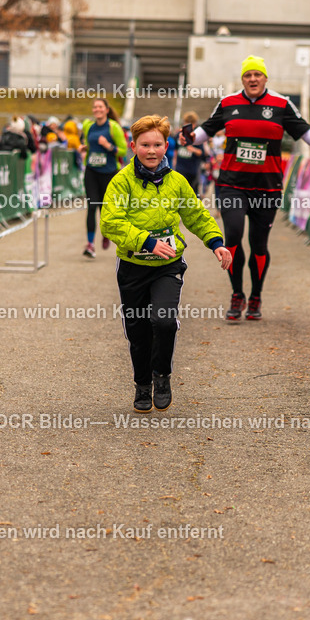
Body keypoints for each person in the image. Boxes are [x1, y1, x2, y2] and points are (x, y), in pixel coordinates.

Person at [179, 55, 310, 321]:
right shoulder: (228, 102)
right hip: (232, 184)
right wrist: (190, 136)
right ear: (242, 79)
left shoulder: (281, 104)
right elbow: (207, 129)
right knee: (233, 236)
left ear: (265, 78)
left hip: (266, 188)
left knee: (258, 245)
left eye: (257, 74)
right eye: (248, 75)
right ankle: (237, 294)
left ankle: (256, 295)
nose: (252, 79)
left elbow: (303, 130)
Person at [101, 115, 232, 413]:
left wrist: (216, 242)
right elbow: (110, 222)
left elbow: (196, 215)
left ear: (166, 146)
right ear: (133, 146)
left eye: (157, 145)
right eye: (145, 145)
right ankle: (142, 384)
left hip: (168, 266)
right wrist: (146, 242)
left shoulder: (177, 181)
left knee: (163, 321)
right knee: (138, 332)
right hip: (133, 267)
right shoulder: (121, 182)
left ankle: (161, 376)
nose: (151, 151)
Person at [79, 98, 127, 258]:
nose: (97, 109)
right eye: (95, 107)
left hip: (109, 172)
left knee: (105, 208)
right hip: (91, 171)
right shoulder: (88, 126)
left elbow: (123, 150)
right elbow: (89, 145)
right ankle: (90, 244)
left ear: (106, 110)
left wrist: (108, 146)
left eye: (100, 107)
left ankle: (105, 234)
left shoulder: (114, 127)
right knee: (92, 206)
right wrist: (84, 148)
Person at [172, 111, 207, 195]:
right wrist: (174, 161)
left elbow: (202, 153)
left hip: (192, 170)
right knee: (180, 192)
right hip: (180, 168)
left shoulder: (196, 136)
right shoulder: (179, 135)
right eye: (186, 122)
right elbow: (176, 149)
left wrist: (192, 149)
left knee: (192, 193)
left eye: (191, 123)